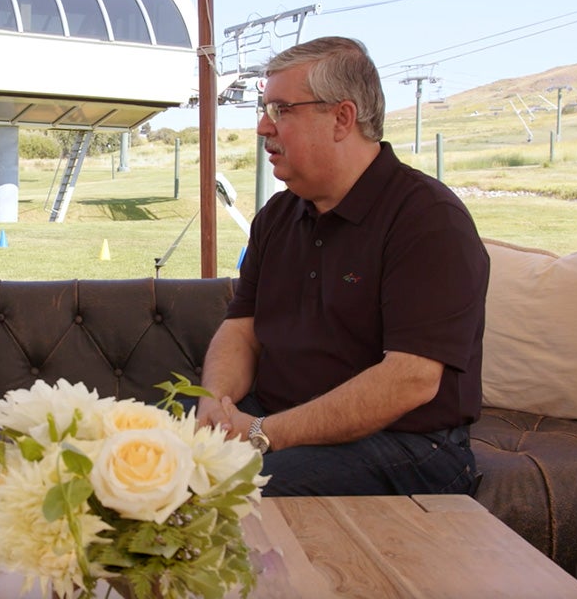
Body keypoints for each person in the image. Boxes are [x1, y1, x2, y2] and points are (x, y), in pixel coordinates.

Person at [197, 37, 489, 497]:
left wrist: (260, 432)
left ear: (342, 118)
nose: (262, 127)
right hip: (275, 419)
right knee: (142, 450)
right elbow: (242, 330)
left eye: (280, 110)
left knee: (228, 495)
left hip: (407, 444)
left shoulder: (428, 219)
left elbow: (410, 379)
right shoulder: (278, 216)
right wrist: (215, 403)